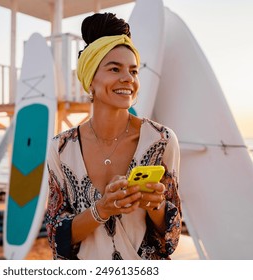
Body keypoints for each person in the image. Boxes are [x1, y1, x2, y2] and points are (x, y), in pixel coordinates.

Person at [45, 12, 181, 260]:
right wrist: (102, 209)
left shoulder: (162, 140)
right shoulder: (61, 148)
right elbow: (57, 238)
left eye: (133, 71)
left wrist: (155, 205)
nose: (128, 78)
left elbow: (170, 238)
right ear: (91, 80)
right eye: (114, 68)